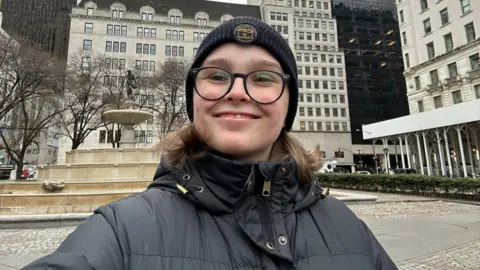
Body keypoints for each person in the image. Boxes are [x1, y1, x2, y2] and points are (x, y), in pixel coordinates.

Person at [23, 17, 397, 270]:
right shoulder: (121, 230)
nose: (237, 92)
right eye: (217, 75)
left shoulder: (351, 231)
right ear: (195, 98)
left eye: (263, 78)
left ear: (288, 105)